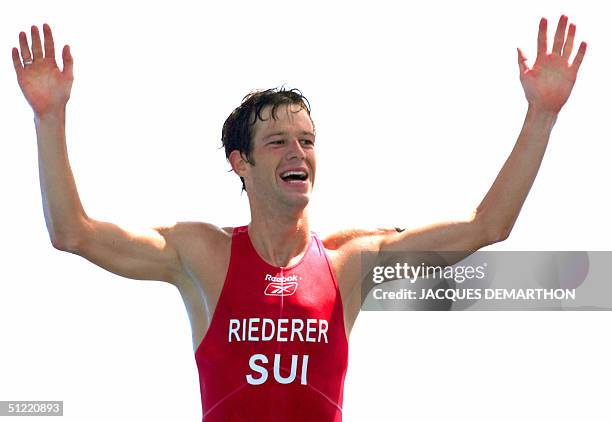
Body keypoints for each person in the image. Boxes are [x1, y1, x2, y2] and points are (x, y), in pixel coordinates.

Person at [12, 15, 586, 421]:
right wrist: (49, 118)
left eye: (308, 141)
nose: (298, 153)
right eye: (280, 141)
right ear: (241, 162)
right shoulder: (202, 254)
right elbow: (73, 233)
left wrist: (541, 116)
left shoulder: (351, 259)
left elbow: (487, 227)